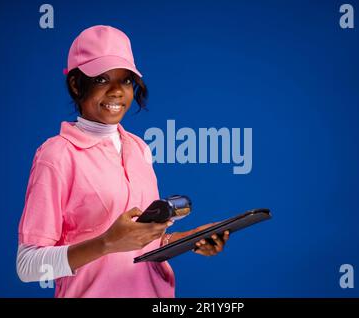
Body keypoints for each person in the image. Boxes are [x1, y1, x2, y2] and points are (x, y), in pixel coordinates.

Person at [16, 25, 230, 298]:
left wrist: (189, 240)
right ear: (75, 84)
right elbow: (27, 266)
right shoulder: (56, 154)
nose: (117, 91)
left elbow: (144, 245)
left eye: (126, 80)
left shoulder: (138, 148)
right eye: (102, 79)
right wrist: (106, 243)